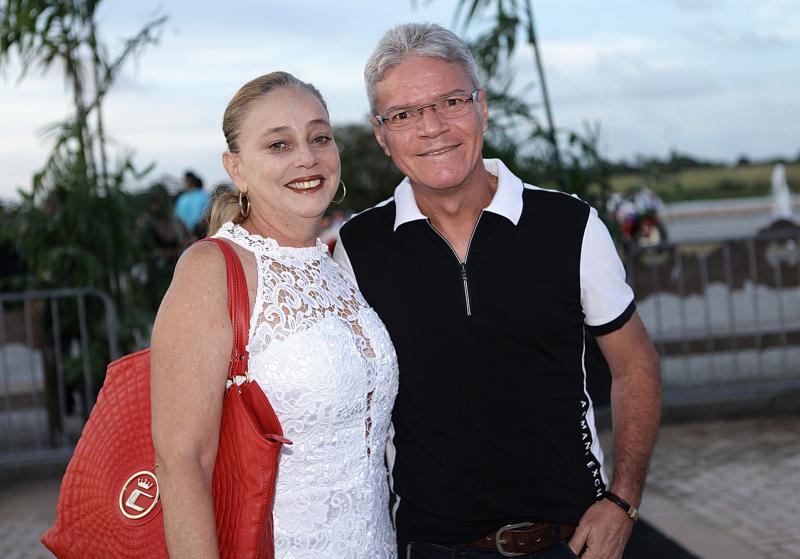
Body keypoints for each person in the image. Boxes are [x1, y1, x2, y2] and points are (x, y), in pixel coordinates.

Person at [334, 23, 662, 559]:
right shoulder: (357, 248)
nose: (432, 127)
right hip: (429, 547)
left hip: (571, 541)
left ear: (481, 108)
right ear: (381, 134)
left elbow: (636, 364)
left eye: (450, 101)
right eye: (404, 114)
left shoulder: (569, 225)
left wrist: (623, 500)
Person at [150, 71, 399, 558]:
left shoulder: (335, 266)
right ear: (236, 168)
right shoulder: (212, 269)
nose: (307, 157)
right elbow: (182, 461)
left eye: (319, 137)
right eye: (278, 145)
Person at [174, 170, 210, 237]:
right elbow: (177, 215)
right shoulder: (183, 197)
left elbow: (206, 214)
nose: (184, 183)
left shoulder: (203, 195)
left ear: (190, 181)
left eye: (185, 180)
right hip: (183, 234)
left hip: (199, 233)